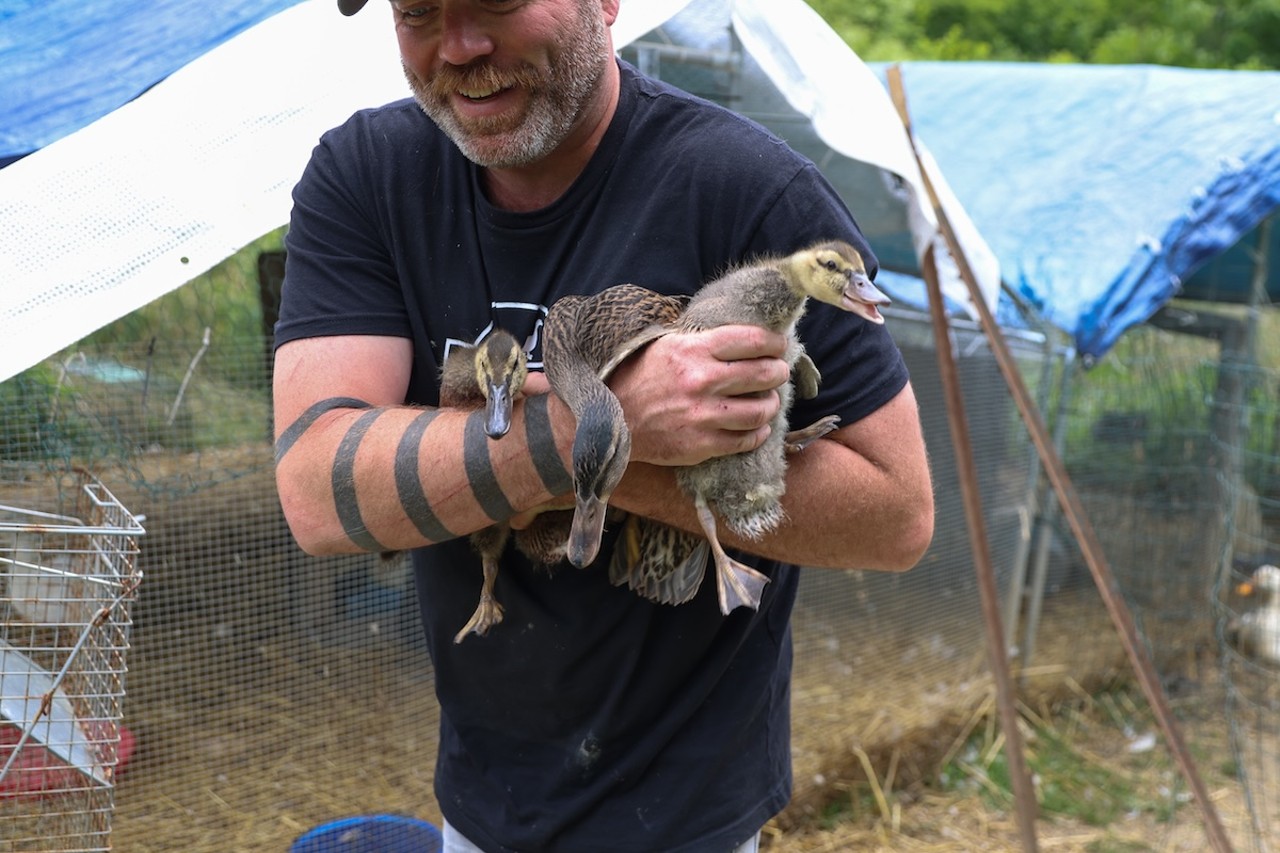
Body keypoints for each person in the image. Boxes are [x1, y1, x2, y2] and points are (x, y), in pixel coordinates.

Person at [271, 0, 934, 850]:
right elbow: (318, 495)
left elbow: (898, 513)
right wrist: (611, 427)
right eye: (419, 12)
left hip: (688, 818)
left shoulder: (745, 191)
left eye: (498, 3)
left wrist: (507, 460)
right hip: (480, 794)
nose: (461, 45)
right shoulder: (368, 174)